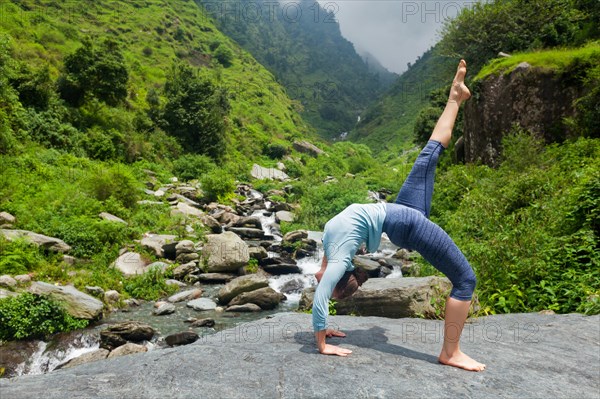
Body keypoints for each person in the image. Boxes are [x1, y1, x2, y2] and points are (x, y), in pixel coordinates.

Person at [312, 60, 486, 372]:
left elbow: (322, 294)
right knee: (465, 279)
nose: (315, 278)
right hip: (401, 221)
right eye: (323, 281)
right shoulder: (336, 252)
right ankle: (450, 352)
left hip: (402, 214)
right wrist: (324, 335)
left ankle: (455, 97)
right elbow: (324, 290)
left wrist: (323, 340)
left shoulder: (332, 249)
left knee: (429, 153)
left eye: (323, 280)